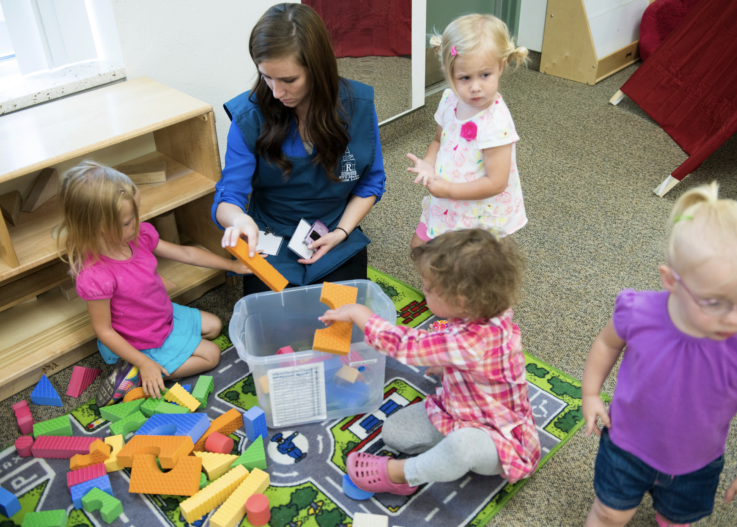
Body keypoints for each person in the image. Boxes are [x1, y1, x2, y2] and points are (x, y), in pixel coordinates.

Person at [581, 182, 737, 527]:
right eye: (715, 302)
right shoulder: (637, 311)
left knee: (675, 521)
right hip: (625, 447)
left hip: (696, 463)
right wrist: (591, 393)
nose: (735, 318)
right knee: (608, 513)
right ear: (670, 280)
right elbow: (607, 344)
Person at [319, 229, 540, 494]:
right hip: (457, 408)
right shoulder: (483, 312)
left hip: (496, 435)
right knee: (394, 433)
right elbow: (457, 348)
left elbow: (406, 345)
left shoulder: (472, 343)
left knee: (463, 447)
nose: (422, 291)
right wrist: (449, 365)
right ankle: (441, 458)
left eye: (426, 288)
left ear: (459, 301)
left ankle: (401, 475)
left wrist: (359, 313)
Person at [213, 3, 386, 295]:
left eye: (288, 80)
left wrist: (341, 233)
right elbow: (229, 196)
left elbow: (371, 182)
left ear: (317, 68)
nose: (276, 92)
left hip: (333, 227)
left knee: (343, 324)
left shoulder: (358, 105)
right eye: (266, 76)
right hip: (271, 233)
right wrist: (240, 220)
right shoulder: (248, 116)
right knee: (275, 326)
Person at [59, 161, 239, 402]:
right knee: (212, 355)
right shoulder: (95, 275)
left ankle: (158, 358)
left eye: (134, 216)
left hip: (161, 315)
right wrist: (144, 362)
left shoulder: (139, 236)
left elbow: (186, 254)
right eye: (126, 223)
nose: (135, 225)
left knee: (215, 325)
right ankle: (138, 374)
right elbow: (103, 330)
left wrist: (232, 266)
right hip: (141, 338)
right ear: (95, 227)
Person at [407, 14, 528, 247]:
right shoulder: (449, 99)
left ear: (501, 66)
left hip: (478, 212)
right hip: (447, 201)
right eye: (464, 77)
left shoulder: (496, 122)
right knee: (419, 248)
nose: (475, 87)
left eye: (485, 75)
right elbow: (438, 140)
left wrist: (450, 189)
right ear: (448, 71)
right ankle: (433, 285)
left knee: (464, 271)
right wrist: (428, 164)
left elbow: (496, 182)